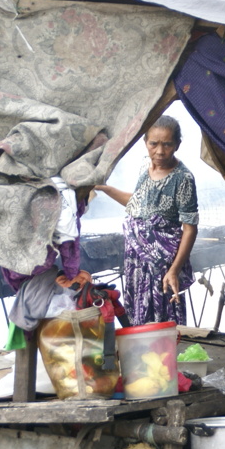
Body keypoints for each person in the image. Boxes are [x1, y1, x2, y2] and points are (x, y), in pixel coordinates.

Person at [95, 115, 198, 326]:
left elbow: (190, 228)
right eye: (154, 144)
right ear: (145, 142)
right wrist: (105, 189)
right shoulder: (145, 166)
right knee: (138, 315)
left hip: (162, 262)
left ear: (177, 144)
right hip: (136, 260)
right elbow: (138, 204)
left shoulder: (183, 178)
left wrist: (174, 270)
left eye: (167, 144)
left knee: (164, 315)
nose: (160, 151)